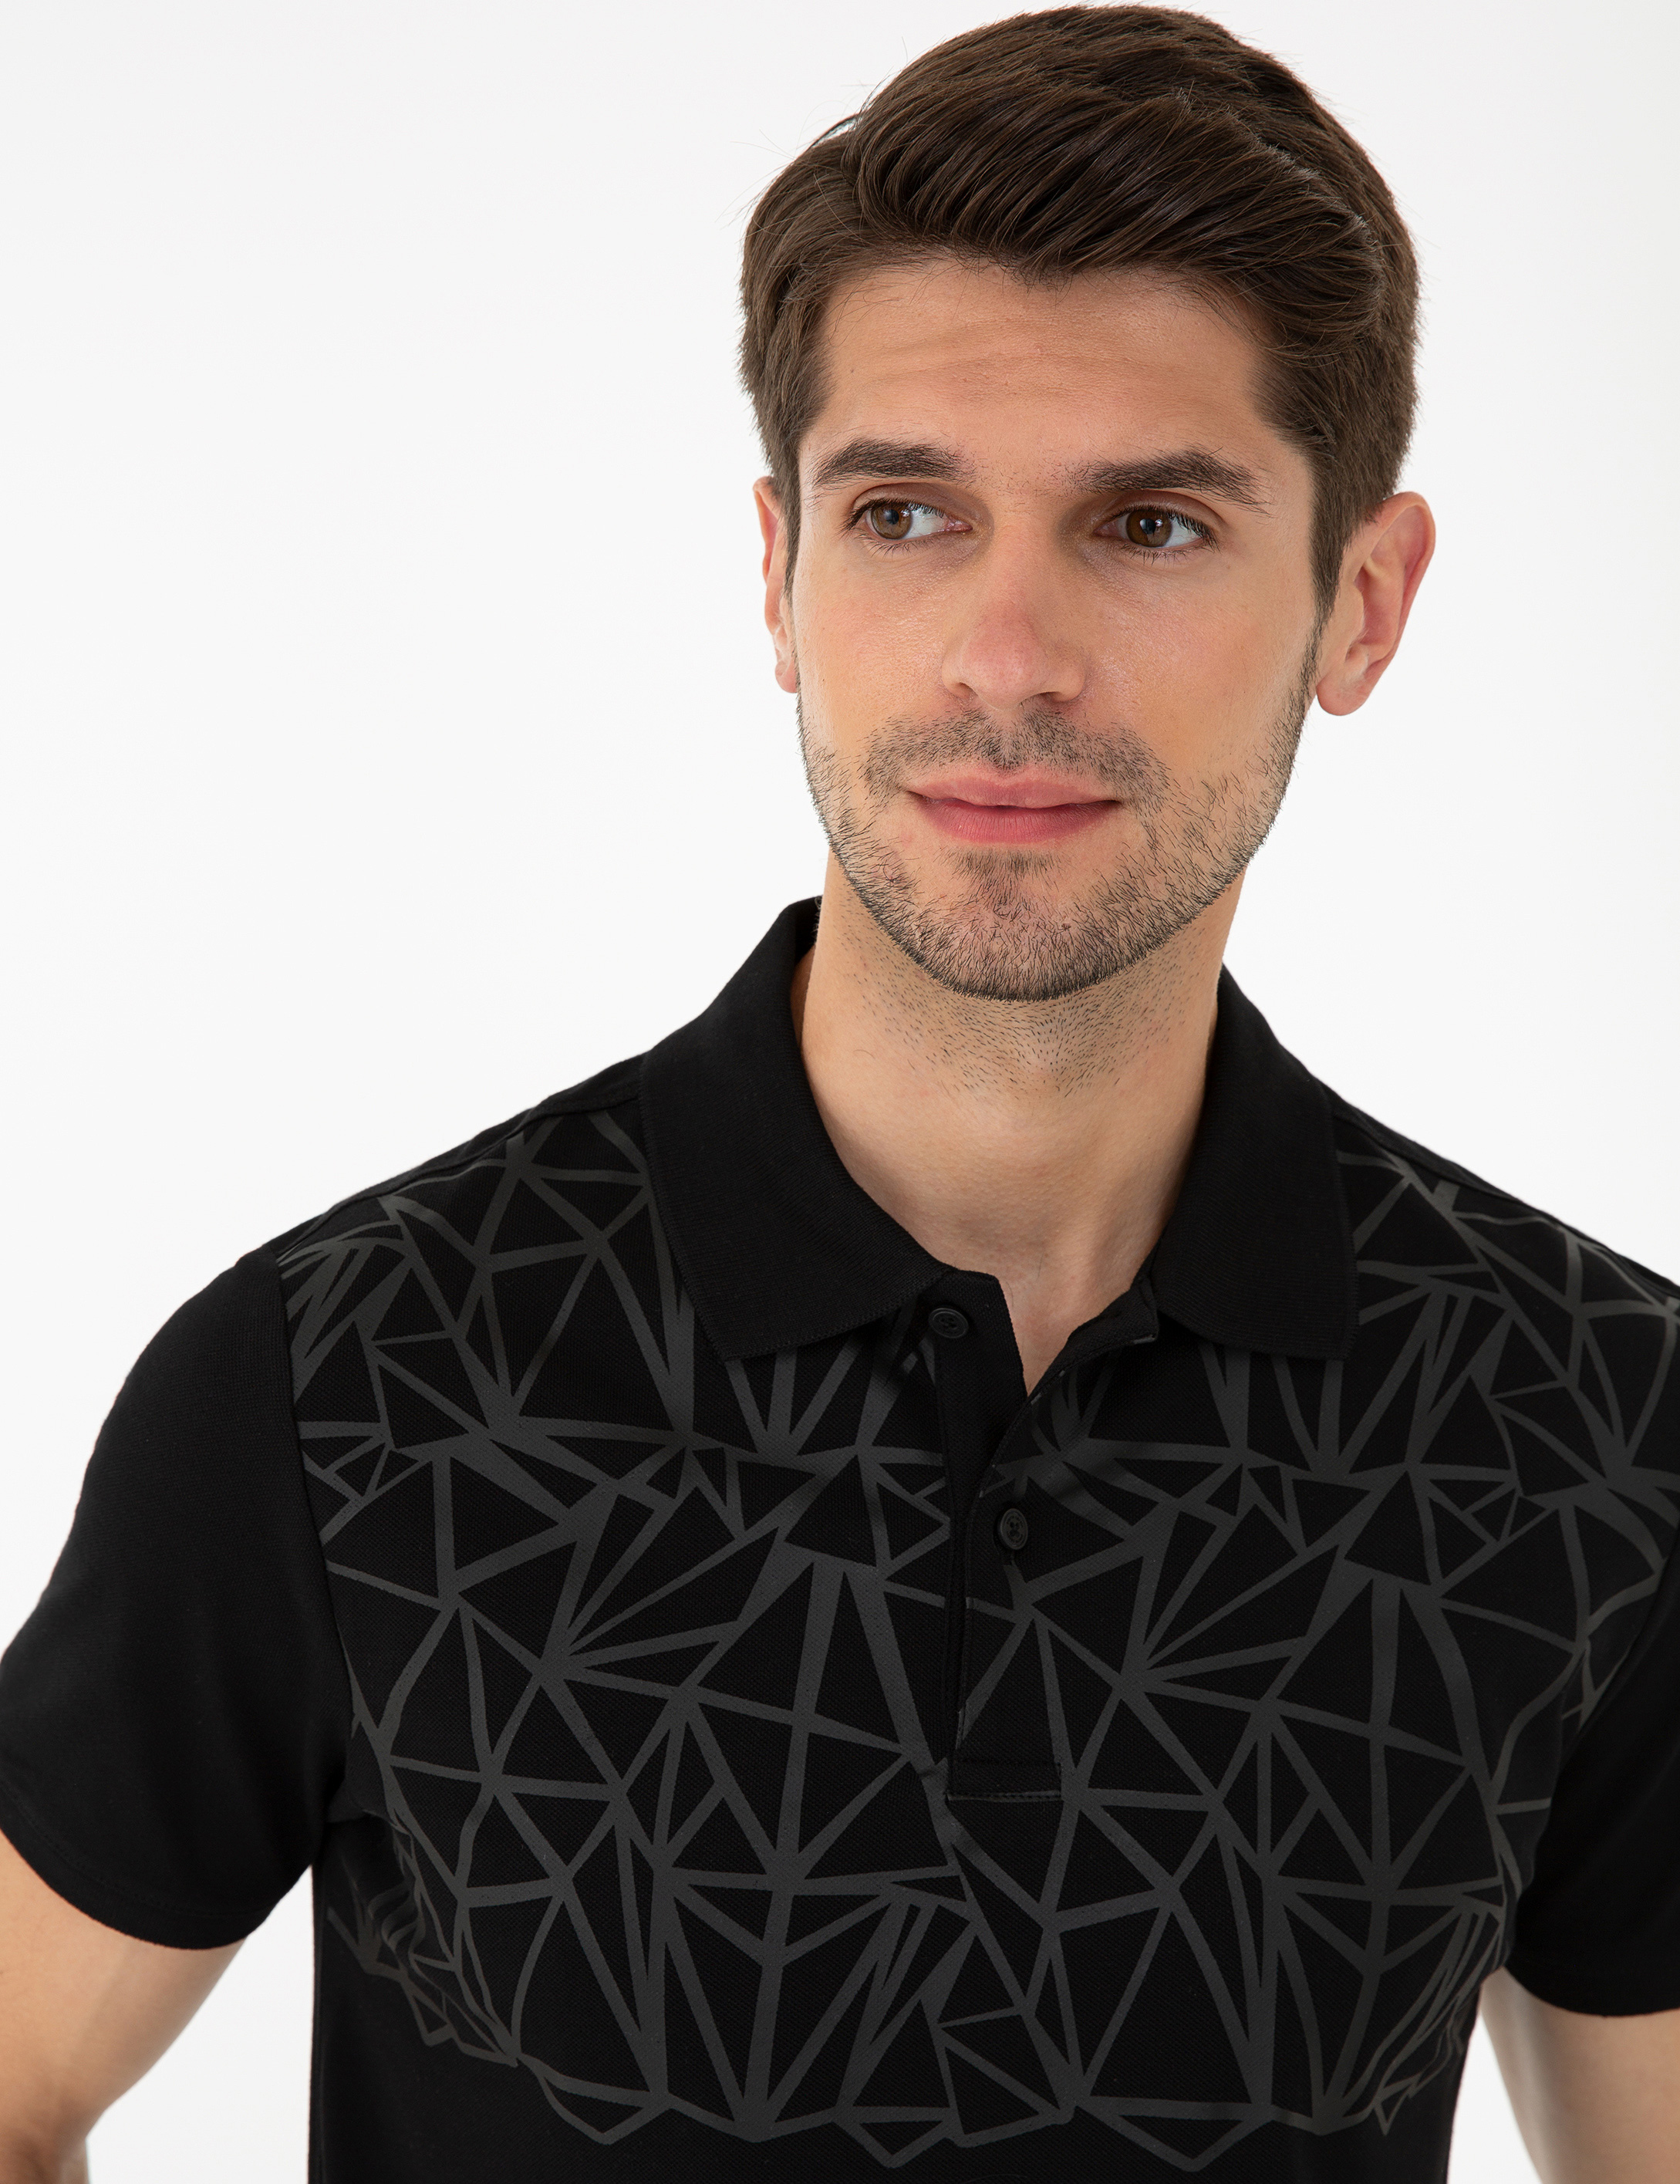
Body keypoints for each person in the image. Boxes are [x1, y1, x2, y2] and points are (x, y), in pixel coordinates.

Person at [2, 5, 1676, 2178]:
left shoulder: (1598, 1430)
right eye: (905, 512)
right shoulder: (342, 1385)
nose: (1007, 656)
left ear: (1360, 602)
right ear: (781, 576)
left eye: (1152, 523)